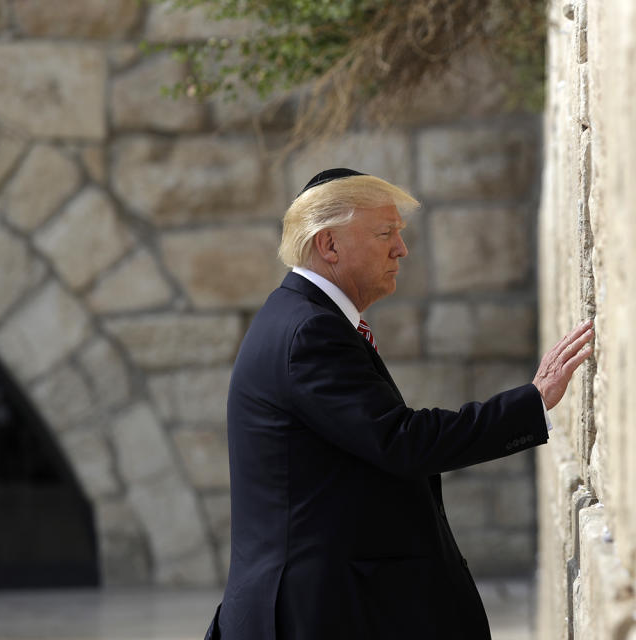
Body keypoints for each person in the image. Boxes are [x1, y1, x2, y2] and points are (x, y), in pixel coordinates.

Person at [204, 168, 593, 640]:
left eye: (398, 234)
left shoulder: (304, 318)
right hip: (310, 616)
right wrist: (531, 403)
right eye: (385, 233)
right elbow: (401, 440)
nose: (401, 249)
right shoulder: (309, 331)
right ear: (329, 246)